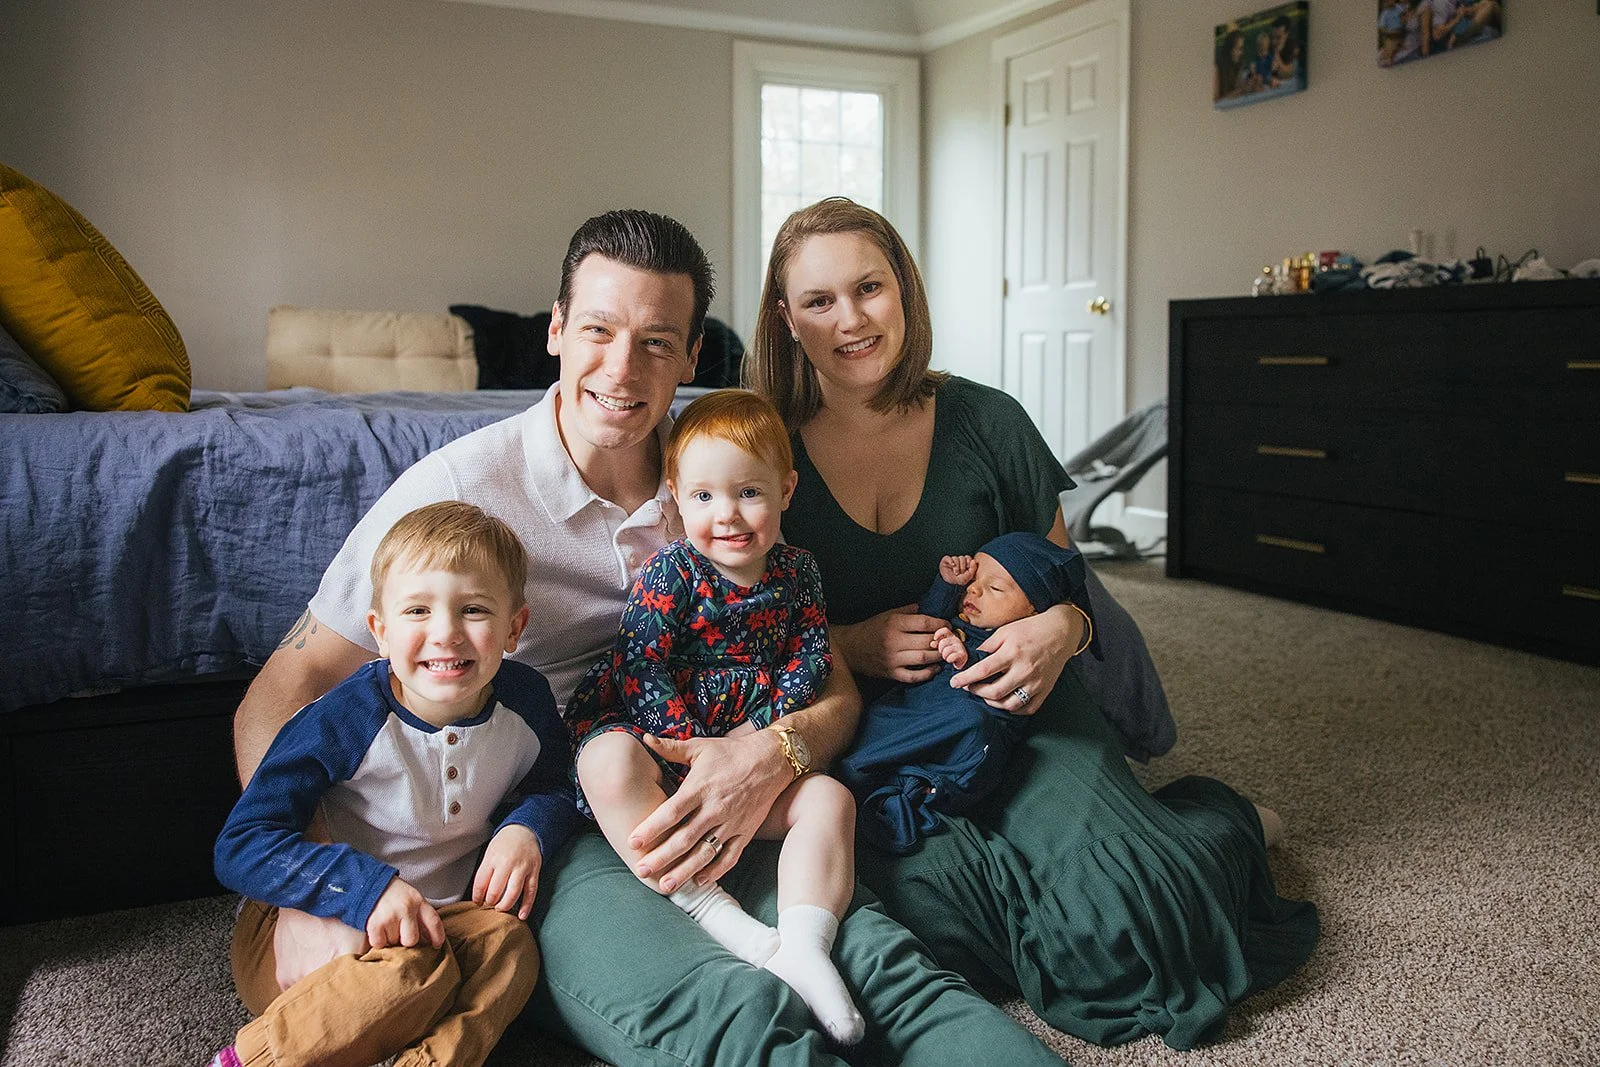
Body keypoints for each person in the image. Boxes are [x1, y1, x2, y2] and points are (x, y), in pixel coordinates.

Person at [232, 208, 1067, 1066]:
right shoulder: (453, 494)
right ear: (557, 330)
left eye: (657, 342)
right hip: (559, 818)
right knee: (729, 1013)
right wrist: (315, 888)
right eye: (597, 329)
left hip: (713, 778)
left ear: (694, 354)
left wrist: (771, 755)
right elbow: (277, 699)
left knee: (875, 964)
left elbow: (822, 675)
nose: (621, 369)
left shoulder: (719, 484)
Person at [745, 196, 1319, 1050]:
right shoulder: (760, 447)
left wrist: (1063, 632)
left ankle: (1214, 822)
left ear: (903, 287)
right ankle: (1112, 851)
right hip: (878, 733)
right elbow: (739, 633)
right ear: (787, 319)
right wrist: (849, 641)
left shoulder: (989, 421)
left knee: (1139, 925)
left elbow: (1064, 579)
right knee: (902, 922)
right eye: (820, 301)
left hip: (1023, 700)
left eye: (869, 286)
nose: (852, 318)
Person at [211, 501, 580, 1067]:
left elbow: (556, 785)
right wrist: (362, 891)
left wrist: (525, 829)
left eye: (474, 610)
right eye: (417, 611)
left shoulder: (526, 702)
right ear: (380, 632)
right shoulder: (344, 720)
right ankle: (253, 1059)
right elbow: (243, 845)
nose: (446, 634)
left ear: (514, 628)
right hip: (324, 922)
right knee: (411, 970)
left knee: (510, 948)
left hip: (443, 920)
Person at [569, 388, 864, 1043]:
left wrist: (756, 736)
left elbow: (811, 657)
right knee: (603, 761)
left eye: (748, 493)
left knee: (830, 798)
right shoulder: (670, 573)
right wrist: (697, 745)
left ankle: (805, 942)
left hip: (751, 756)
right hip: (663, 751)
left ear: (786, 490)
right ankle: (722, 918)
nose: (726, 515)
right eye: (703, 496)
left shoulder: (798, 573)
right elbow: (640, 667)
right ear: (675, 493)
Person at [837, 532, 1095, 854]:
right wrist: (948, 583)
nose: (974, 589)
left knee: (972, 725)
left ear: (1033, 610)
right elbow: (929, 615)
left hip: (967, 722)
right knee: (877, 713)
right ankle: (865, 767)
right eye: (973, 580)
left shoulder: (1018, 639)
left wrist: (965, 658)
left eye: (995, 588)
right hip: (915, 708)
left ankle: (916, 788)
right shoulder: (959, 617)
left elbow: (1001, 678)